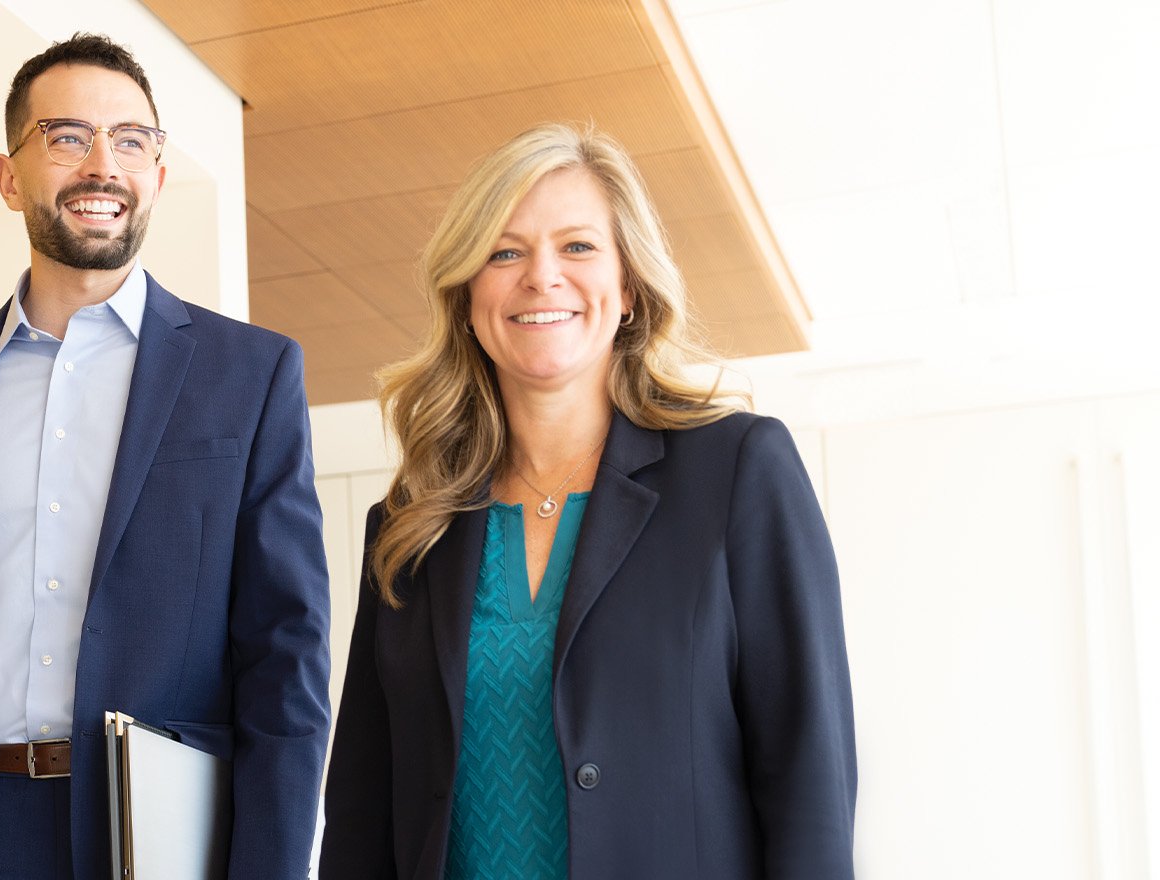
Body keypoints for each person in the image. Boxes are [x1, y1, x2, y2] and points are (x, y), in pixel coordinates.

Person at [0, 33, 332, 880]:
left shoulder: (250, 375)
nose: (103, 164)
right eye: (68, 137)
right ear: (9, 176)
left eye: (132, 141)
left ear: (159, 176)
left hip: (156, 833)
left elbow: (287, 663)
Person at [320, 123, 857, 879]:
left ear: (629, 287)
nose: (541, 277)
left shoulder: (738, 471)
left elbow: (810, 776)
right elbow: (360, 811)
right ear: (469, 294)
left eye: (577, 247)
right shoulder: (411, 525)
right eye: (505, 251)